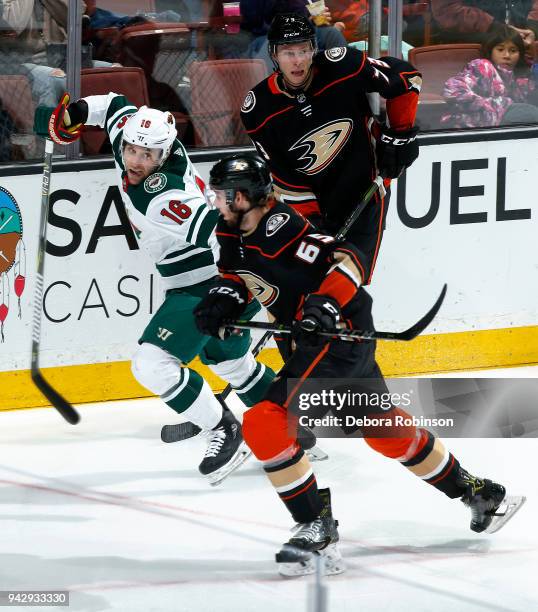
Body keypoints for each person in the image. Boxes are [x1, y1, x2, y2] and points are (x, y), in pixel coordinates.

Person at [194, 152, 525, 576]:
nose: (215, 200)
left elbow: (346, 264)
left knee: (264, 421)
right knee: (381, 428)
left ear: (243, 197)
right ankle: (477, 492)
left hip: (338, 335)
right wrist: (223, 298)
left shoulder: (285, 228)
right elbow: (237, 274)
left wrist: (323, 306)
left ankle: (316, 526)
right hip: (307, 339)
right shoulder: (230, 228)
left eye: (222, 194)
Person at [35, 93, 275, 484]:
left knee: (151, 364)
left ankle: (224, 429)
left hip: (209, 282)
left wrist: (255, 278)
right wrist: (78, 112)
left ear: (163, 156)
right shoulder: (136, 136)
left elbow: (222, 232)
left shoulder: (161, 196)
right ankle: (290, 427)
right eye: (131, 150)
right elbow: (114, 106)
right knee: (230, 362)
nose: (135, 161)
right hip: (211, 280)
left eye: (146, 156)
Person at [240, 13, 421, 291]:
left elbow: (406, 78)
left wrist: (400, 134)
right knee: (308, 287)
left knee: (347, 285)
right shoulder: (258, 110)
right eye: (288, 52)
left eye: (303, 50)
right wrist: (312, 225)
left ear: (314, 49)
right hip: (313, 208)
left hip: (367, 192)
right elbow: (284, 175)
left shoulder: (342, 65)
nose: (297, 60)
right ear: (274, 55)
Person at [442, 25, 538, 128]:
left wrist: (532, 49)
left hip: (499, 131)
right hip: (464, 129)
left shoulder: (518, 77)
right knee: (529, 113)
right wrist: (499, 105)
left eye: (513, 51)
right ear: (491, 51)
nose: (507, 55)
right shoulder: (483, 66)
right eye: (500, 50)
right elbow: (452, 91)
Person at [432, 0, 538, 46]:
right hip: (471, 46)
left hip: (523, 42)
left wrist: (532, 29)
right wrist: (495, 27)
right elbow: (447, 12)